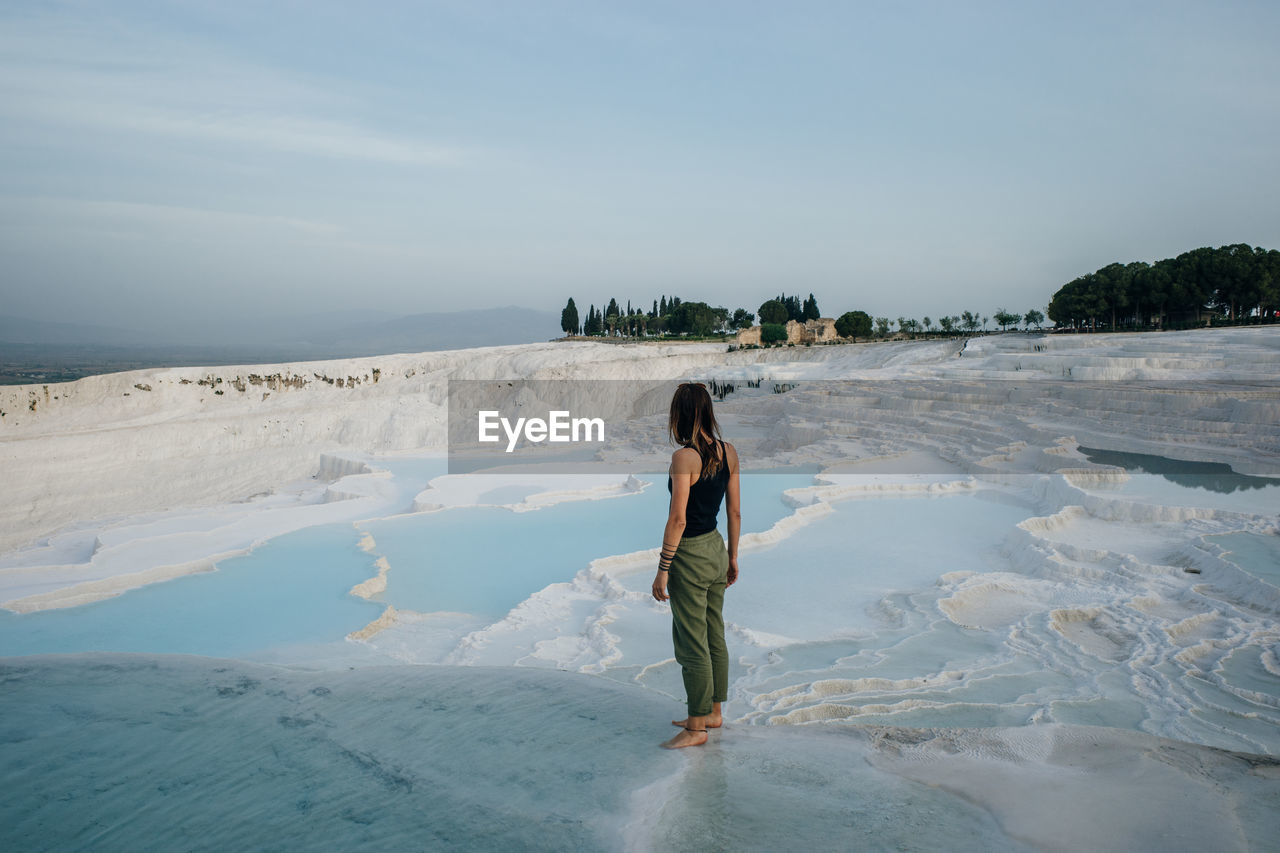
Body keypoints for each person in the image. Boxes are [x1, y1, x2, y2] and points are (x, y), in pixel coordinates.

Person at [651, 382, 741, 749]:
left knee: (692, 642)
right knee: (714, 632)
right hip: (716, 548)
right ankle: (712, 713)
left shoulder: (684, 458)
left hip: (689, 554)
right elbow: (734, 510)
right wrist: (732, 556)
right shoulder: (729, 452)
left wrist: (662, 568)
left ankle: (695, 728)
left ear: (681, 415)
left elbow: (678, 519)